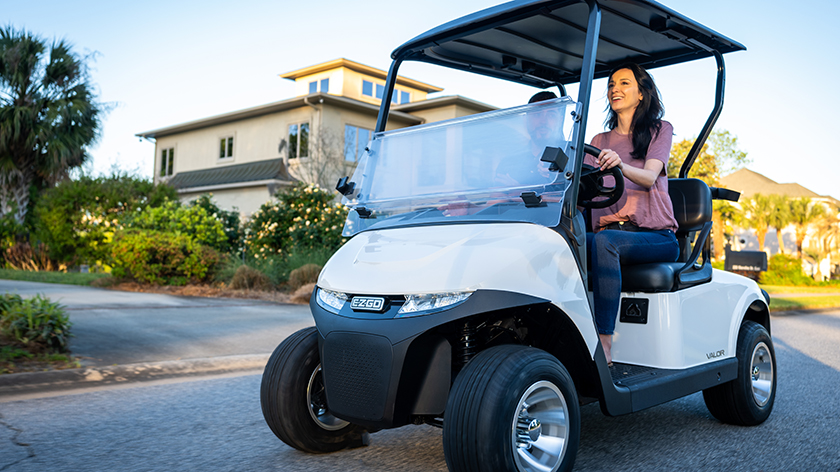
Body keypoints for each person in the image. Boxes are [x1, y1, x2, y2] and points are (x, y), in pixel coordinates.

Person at [584, 63, 679, 365]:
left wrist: (619, 166)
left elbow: (650, 177)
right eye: (611, 84)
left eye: (624, 83)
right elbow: (583, 189)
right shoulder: (599, 142)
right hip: (612, 235)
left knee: (605, 242)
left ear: (641, 93)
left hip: (656, 237)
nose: (615, 89)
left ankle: (604, 341)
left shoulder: (659, 130)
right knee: (554, 243)